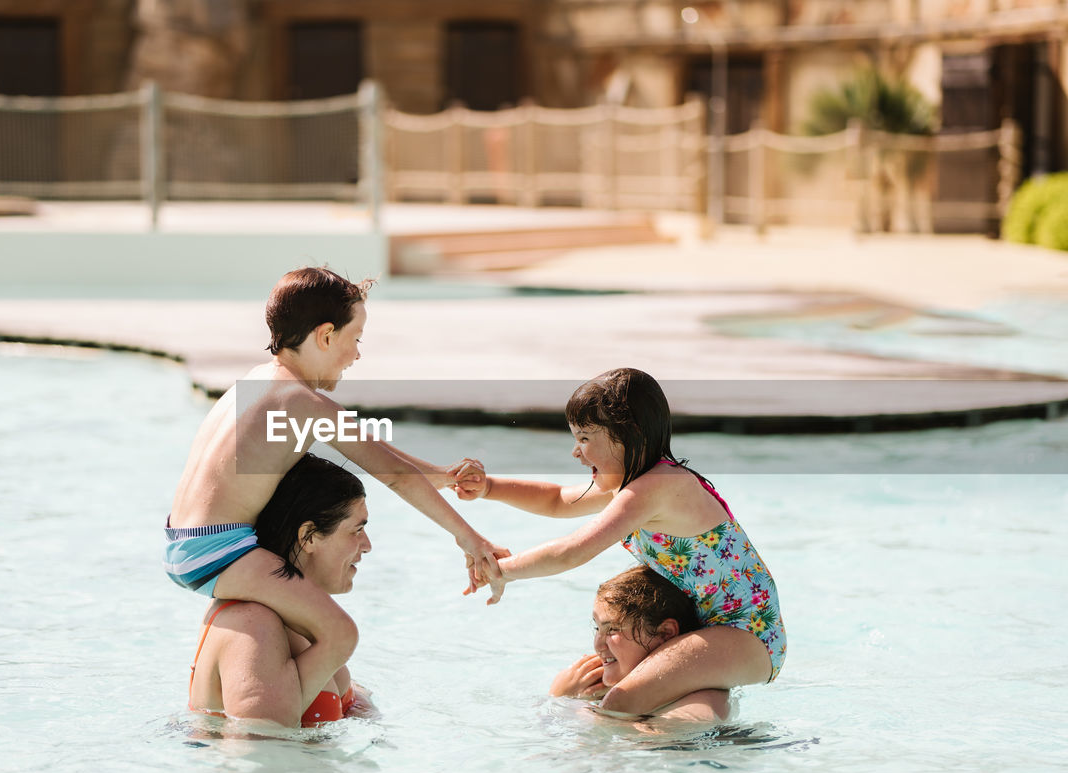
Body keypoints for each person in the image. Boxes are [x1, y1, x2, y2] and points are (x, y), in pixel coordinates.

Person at [167, 267, 505, 706]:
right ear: (326, 336)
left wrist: (440, 476)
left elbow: (384, 456)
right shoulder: (305, 403)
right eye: (356, 339)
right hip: (223, 551)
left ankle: (317, 702)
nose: (357, 356)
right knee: (340, 634)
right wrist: (469, 537)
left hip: (184, 541)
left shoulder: (254, 383)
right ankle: (291, 713)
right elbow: (391, 474)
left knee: (324, 637)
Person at [453, 367, 785, 716]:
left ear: (628, 434)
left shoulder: (659, 487)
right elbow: (556, 500)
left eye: (584, 438)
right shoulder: (634, 484)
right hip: (717, 631)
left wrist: (500, 570)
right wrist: (489, 487)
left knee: (621, 703)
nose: (575, 453)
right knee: (625, 700)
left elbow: (573, 551)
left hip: (747, 635)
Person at [188, 453, 375, 727]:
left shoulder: (301, 621)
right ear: (308, 536)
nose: (367, 545)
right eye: (356, 530)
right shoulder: (252, 626)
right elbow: (260, 759)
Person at [549, 567, 731, 724]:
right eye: (598, 628)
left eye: (612, 629)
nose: (598, 645)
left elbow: (656, 741)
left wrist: (562, 700)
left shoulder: (701, 699)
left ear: (665, 633)